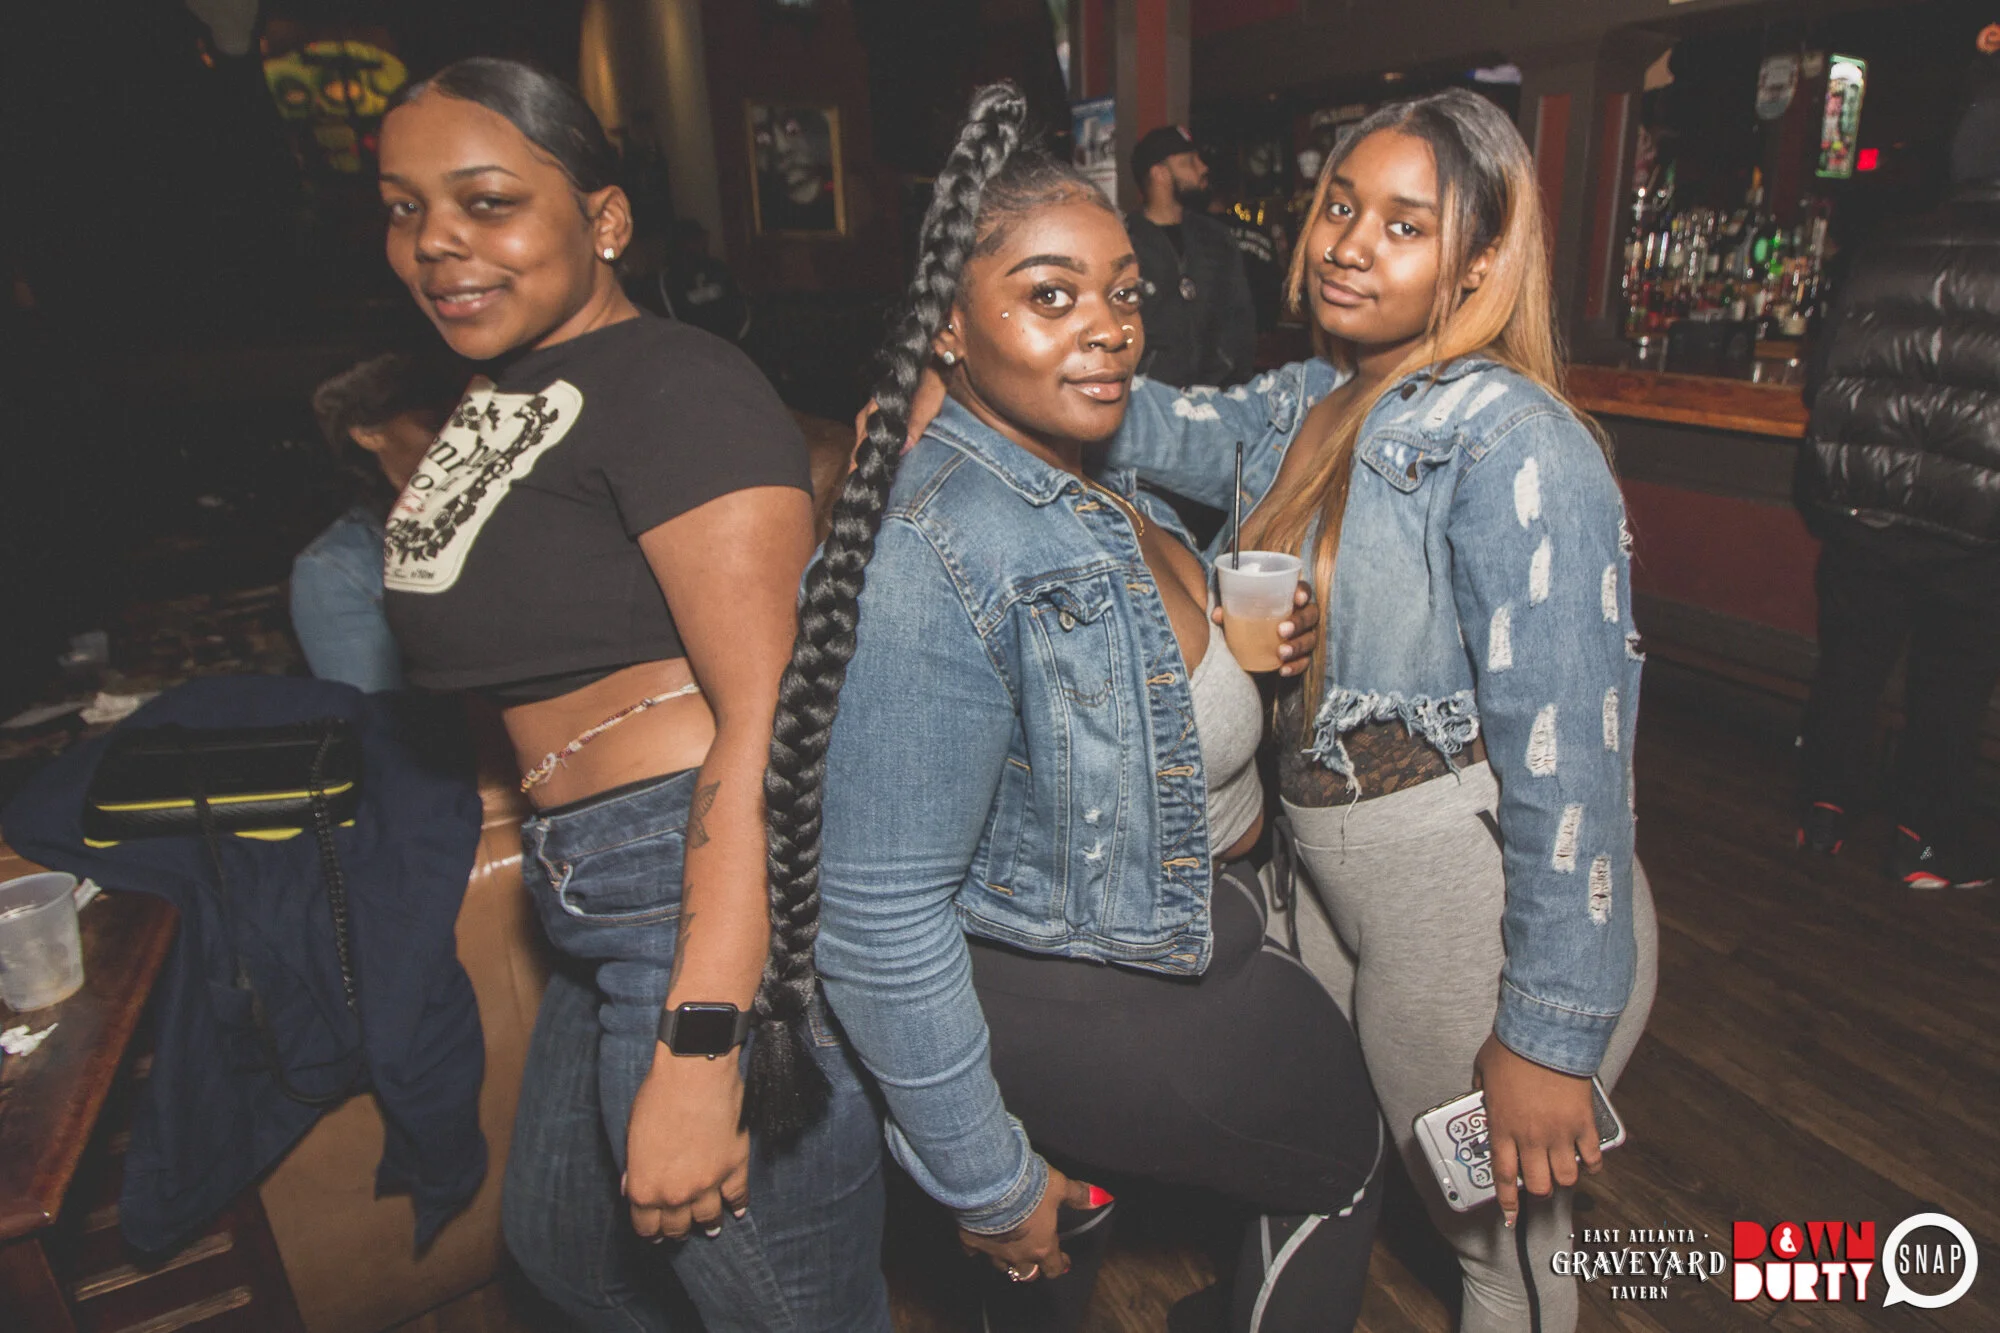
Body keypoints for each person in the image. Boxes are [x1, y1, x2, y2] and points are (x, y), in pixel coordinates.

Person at [794, 84, 1382, 1333]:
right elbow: (877, 915)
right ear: (949, 328)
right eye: (1050, 296)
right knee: (1338, 1162)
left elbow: (1118, 721)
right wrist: (981, 1175)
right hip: (1082, 994)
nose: (1109, 329)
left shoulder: (1095, 481)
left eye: (1121, 292)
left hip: (1147, 949)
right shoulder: (939, 543)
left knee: (1072, 1233)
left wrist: (1233, 659)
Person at [1099, 90, 1659, 1332]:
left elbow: (1575, 763)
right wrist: (972, 381)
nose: (1347, 244)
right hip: (1324, 878)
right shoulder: (1307, 395)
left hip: (1468, 899)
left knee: (1504, 1257)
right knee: (1328, 1158)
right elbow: (1138, 421)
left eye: (1404, 226)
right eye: (1340, 207)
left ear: (1480, 260)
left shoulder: (1515, 441)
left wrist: (1548, 1033)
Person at [372, 58, 890, 1331]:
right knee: (568, 1249)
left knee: (787, 1309)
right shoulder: (498, 394)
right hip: (590, 887)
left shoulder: (675, 383)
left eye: (486, 201)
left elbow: (776, 722)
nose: (435, 240)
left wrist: (703, 1045)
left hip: (693, 889)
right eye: (402, 208)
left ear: (602, 218)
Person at [1793, 75, 2000, 890]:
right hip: (1974, 519)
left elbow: (1823, 378)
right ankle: (1923, 845)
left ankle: (1822, 815)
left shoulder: (1884, 247)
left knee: (1849, 665)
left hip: (1863, 504)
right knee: (1950, 685)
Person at [290, 352, 463, 693]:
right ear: (368, 434)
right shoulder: (338, 568)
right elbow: (377, 714)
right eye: (436, 424)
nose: (462, 435)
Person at [1126, 125, 1258, 389]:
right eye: (1189, 162)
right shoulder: (1124, 241)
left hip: (1215, 394)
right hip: (1150, 397)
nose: (1202, 168)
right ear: (1159, 173)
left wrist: (1235, 383)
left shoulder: (1216, 237)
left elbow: (1240, 319)